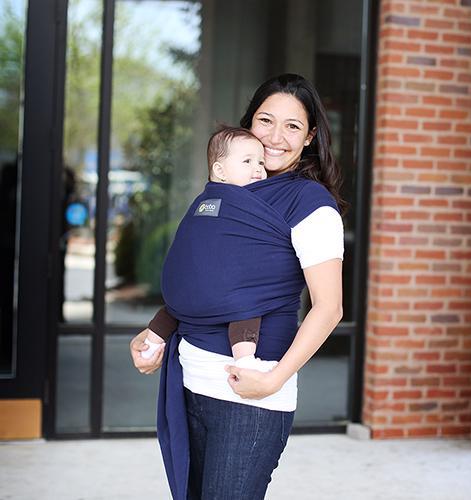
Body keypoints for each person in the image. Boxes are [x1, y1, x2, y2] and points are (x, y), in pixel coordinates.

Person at [130, 73, 344, 500]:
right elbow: (202, 274)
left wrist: (276, 379)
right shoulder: (228, 191)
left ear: (309, 137)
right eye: (266, 120)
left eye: (293, 126)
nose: (275, 137)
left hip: (251, 392)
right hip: (190, 378)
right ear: (249, 124)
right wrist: (155, 333)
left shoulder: (311, 205)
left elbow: (329, 307)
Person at [141, 126, 270, 370]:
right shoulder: (239, 202)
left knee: (174, 309)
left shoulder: (204, 202)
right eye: (247, 161)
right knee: (248, 307)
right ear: (219, 171)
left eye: (261, 163)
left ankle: (151, 344)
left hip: (192, 289)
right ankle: (244, 360)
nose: (258, 169)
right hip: (223, 289)